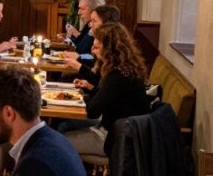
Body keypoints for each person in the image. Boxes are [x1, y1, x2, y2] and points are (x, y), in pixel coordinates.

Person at [63, 22, 152, 155]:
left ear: (110, 49)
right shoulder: (125, 67)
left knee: (58, 142)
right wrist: (91, 89)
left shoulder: (118, 75)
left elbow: (93, 111)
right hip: (116, 128)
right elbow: (109, 99)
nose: (93, 51)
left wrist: (71, 99)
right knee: (64, 125)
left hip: (115, 138)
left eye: (97, 48)